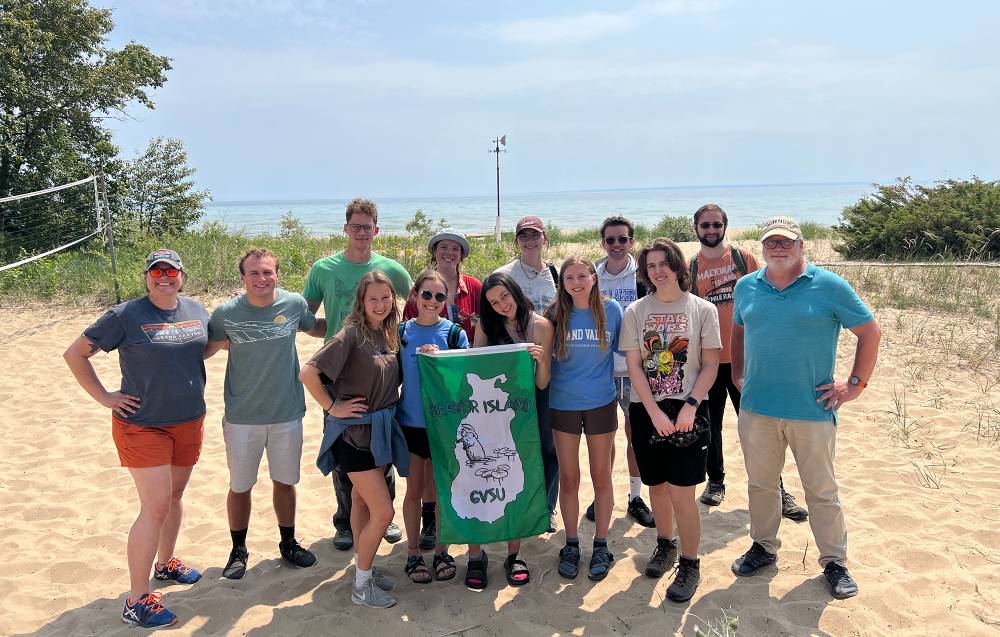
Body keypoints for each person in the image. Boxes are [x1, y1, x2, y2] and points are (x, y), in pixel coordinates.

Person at [729, 216, 881, 600]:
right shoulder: (748, 286)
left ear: (801, 246)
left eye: (786, 242)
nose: (777, 248)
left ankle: (834, 561)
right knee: (762, 485)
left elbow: (869, 331)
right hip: (757, 409)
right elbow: (739, 330)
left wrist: (855, 384)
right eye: (771, 243)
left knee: (821, 490)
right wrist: (739, 375)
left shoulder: (828, 285)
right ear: (762, 247)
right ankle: (763, 547)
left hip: (812, 409)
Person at [64, 249, 215, 628]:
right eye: (156, 271)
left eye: (171, 270)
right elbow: (76, 354)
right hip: (143, 424)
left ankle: (165, 565)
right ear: (146, 277)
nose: (164, 276)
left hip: (188, 420)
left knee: (175, 498)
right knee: (155, 508)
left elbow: (202, 348)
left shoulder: (197, 310)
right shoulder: (126, 315)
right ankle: (136, 600)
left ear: (183, 275)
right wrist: (104, 396)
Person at [205, 248, 327, 580]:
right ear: (243, 277)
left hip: (287, 411)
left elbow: (314, 327)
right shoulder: (225, 313)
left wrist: (354, 318)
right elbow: (205, 349)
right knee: (240, 485)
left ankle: (288, 543)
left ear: (277, 275)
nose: (262, 279)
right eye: (255, 273)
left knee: (285, 482)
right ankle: (238, 549)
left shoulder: (292, 304)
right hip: (242, 415)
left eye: (268, 272)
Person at [303, 198, 413, 550]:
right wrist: (335, 335)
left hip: (381, 368)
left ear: (376, 230)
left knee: (383, 446)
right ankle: (345, 522)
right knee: (344, 450)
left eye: (369, 227)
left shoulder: (392, 270)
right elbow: (306, 317)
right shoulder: (323, 268)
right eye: (357, 226)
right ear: (346, 228)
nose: (362, 232)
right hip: (339, 372)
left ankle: (386, 516)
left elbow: (413, 311)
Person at [688, 204, 808, 521]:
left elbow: (769, 296)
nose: (711, 230)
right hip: (710, 362)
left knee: (759, 429)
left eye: (716, 224)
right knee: (710, 426)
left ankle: (778, 489)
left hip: (749, 360)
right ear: (695, 228)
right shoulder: (691, 268)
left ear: (725, 226)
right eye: (705, 225)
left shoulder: (744, 259)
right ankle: (715, 482)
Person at [300, 271, 410, 609]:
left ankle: (367, 568)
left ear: (393, 300)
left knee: (363, 505)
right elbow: (308, 373)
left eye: (385, 297)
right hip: (354, 436)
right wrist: (333, 405)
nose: (379, 304)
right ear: (361, 302)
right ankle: (361, 587)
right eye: (372, 298)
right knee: (383, 510)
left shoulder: (390, 335)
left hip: (381, 433)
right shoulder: (351, 334)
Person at [621, 238, 721, 603]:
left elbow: (710, 365)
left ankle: (690, 563)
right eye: (651, 266)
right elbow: (634, 365)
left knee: (683, 494)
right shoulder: (635, 311)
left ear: (678, 266)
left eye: (664, 264)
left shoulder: (702, 309)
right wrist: (653, 411)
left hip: (689, 409)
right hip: (648, 410)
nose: (658, 271)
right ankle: (665, 544)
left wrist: (691, 405)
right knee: (657, 487)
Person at [463, 272, 555, 589]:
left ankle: (515, 554)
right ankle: (479, 554)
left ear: (515, 291)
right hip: (494, 412)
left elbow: (543, 382)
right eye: (493, 302)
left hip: (530, 409)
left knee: (520, 472)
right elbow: (474, 368)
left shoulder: (541, 326)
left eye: (505, 296)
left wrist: (541, 360)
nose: (502, 305)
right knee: (483, 471)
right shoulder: (487, 326)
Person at [545, 256, 623, 583]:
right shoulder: (553, 315)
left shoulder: (613, 310)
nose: (576, 282)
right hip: (563, 405)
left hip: (601, 402)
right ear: (562, 283)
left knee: (601, 476)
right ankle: (572, 543)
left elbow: (628, 356)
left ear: (594, 277)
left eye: (582, 275)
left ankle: (601, 544)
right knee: (570, 478)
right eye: (569, 277)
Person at [402, 228, 482, 548]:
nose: (433, 301)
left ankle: (442, 529)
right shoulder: (405, 327)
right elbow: (397, 358)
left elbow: (489, 328)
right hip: (414, 410)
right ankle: (424, 531)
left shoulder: (474, 288)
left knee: (445, 472)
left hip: (455, 400)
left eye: (456, 248)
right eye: (443, 247)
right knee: (417, 478)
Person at [398, 270, 469, 584]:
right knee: (413, 492)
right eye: (426, 294)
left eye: (440, 296)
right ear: (415, 296)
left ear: (447, 300)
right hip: (411, 423)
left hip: (445, 424)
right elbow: (387, 376)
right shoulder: (400, 332)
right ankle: (413, 553)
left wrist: (443, 361)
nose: (432, 301)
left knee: (443, 492)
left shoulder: (455, 334)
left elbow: (465, 381)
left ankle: (442, 550)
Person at [586, 215, 655, 528]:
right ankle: (603, 495)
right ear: (603, 242)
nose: (616, 245)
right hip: (598, 370)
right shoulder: (591, 277)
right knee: (602, 438)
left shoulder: (643, 277)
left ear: (632, 242)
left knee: (635, 435)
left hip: (634, 370)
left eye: (622, 239)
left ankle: (635, 497)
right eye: (610, 240)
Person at [493, 215, 558, 315]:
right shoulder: (503, 276)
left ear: (544, 238)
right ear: (517, 242)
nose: (530, 240)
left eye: (535, 235)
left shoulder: (557, 274)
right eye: (523, 236)